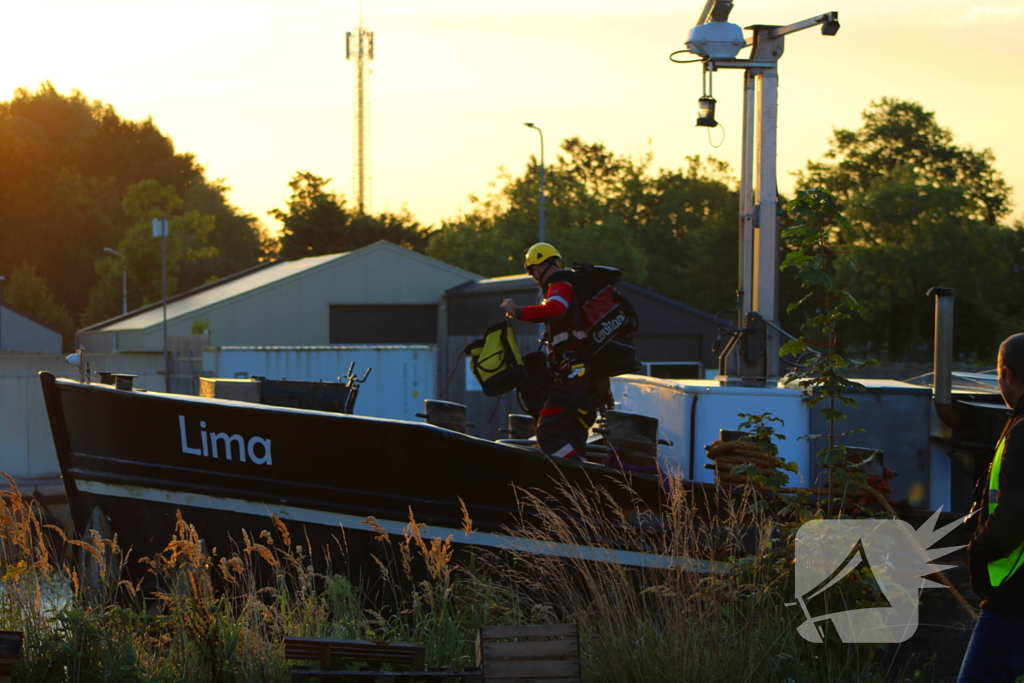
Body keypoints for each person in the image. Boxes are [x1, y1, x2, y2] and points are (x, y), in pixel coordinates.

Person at [499, 243, 610, 461]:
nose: (533, 276)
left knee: (547, 433)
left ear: (539, 267)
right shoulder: (570, 286)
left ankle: (578, 472)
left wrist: (518, 311)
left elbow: (556, 309)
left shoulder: (559, 283)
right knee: (572, 434)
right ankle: (579, 485)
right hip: (587, 374)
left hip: (575, 372)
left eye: (531, 271)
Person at [959, 333, 1024, 682]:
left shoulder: (1022, 431)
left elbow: (1013, 516)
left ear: (1008, 375)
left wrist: (976, 554)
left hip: (1013, 593)